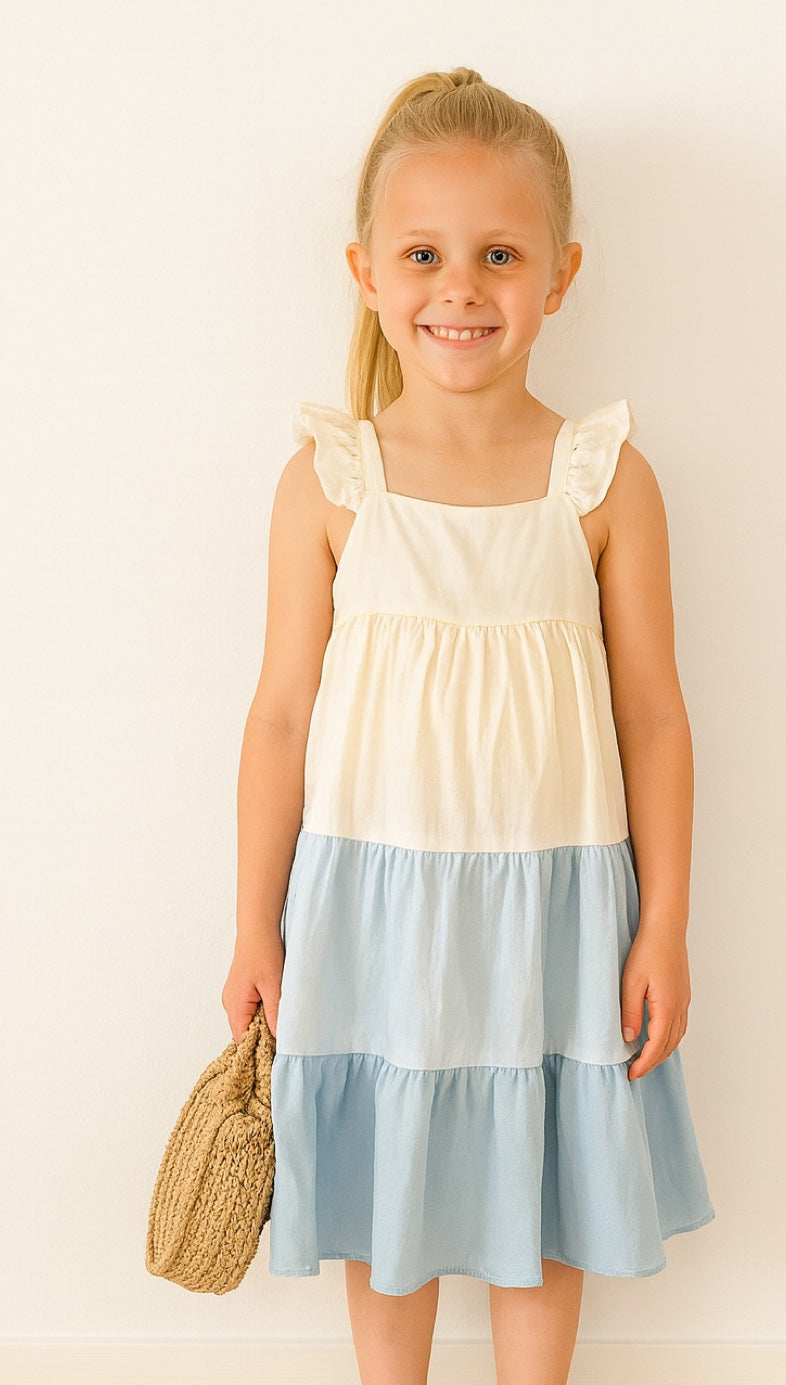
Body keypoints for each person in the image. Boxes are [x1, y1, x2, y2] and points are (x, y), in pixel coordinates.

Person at [221, 66, 715, 1385]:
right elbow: (279, 716)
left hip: (557, 907)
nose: (461, 287)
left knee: (539, 1189)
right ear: (366, 271)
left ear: (558, 274)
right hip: (369, 899)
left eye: (499, 254)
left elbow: (656, 716)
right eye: (425, 253)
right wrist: (254, 922)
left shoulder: (603, 477)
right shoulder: (330, 481)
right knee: (391, 1195)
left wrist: (661, 917)